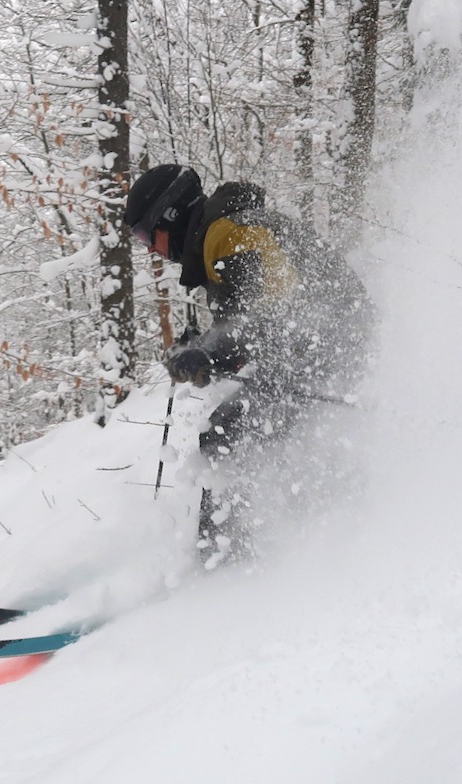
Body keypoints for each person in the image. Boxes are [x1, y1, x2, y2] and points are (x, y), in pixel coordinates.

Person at [124, 164, 374, 567]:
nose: (150, 249)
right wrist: (205, 346)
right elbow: (252, 319)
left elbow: (273, 310)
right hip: (320, 343)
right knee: (254, 429)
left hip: (329, 342)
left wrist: (209, 349)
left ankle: (231, 567)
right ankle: (289, 534)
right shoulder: (220, 234)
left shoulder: (227, 233)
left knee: (226, 434)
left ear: (169, 216)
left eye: (145, 236)